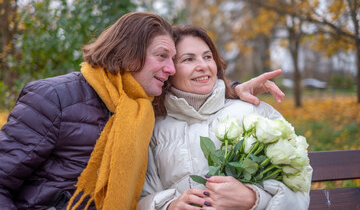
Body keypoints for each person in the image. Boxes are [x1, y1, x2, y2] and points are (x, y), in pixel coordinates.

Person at [0, 12, 284, 210]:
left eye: (173, 60)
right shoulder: (54, 98)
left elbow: (195, 97)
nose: (171, 69)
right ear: (126, 53)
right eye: (162, 57)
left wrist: (232, 88)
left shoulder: (142, 106)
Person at [137, 26, 311, 210]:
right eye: (188, 59)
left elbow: (299, 185)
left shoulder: (253, 112)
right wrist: (170, 206)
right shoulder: (153, 128)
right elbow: (140, 197)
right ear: (169, 70)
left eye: (207, 57)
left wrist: (254, 199)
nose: (203, 66)